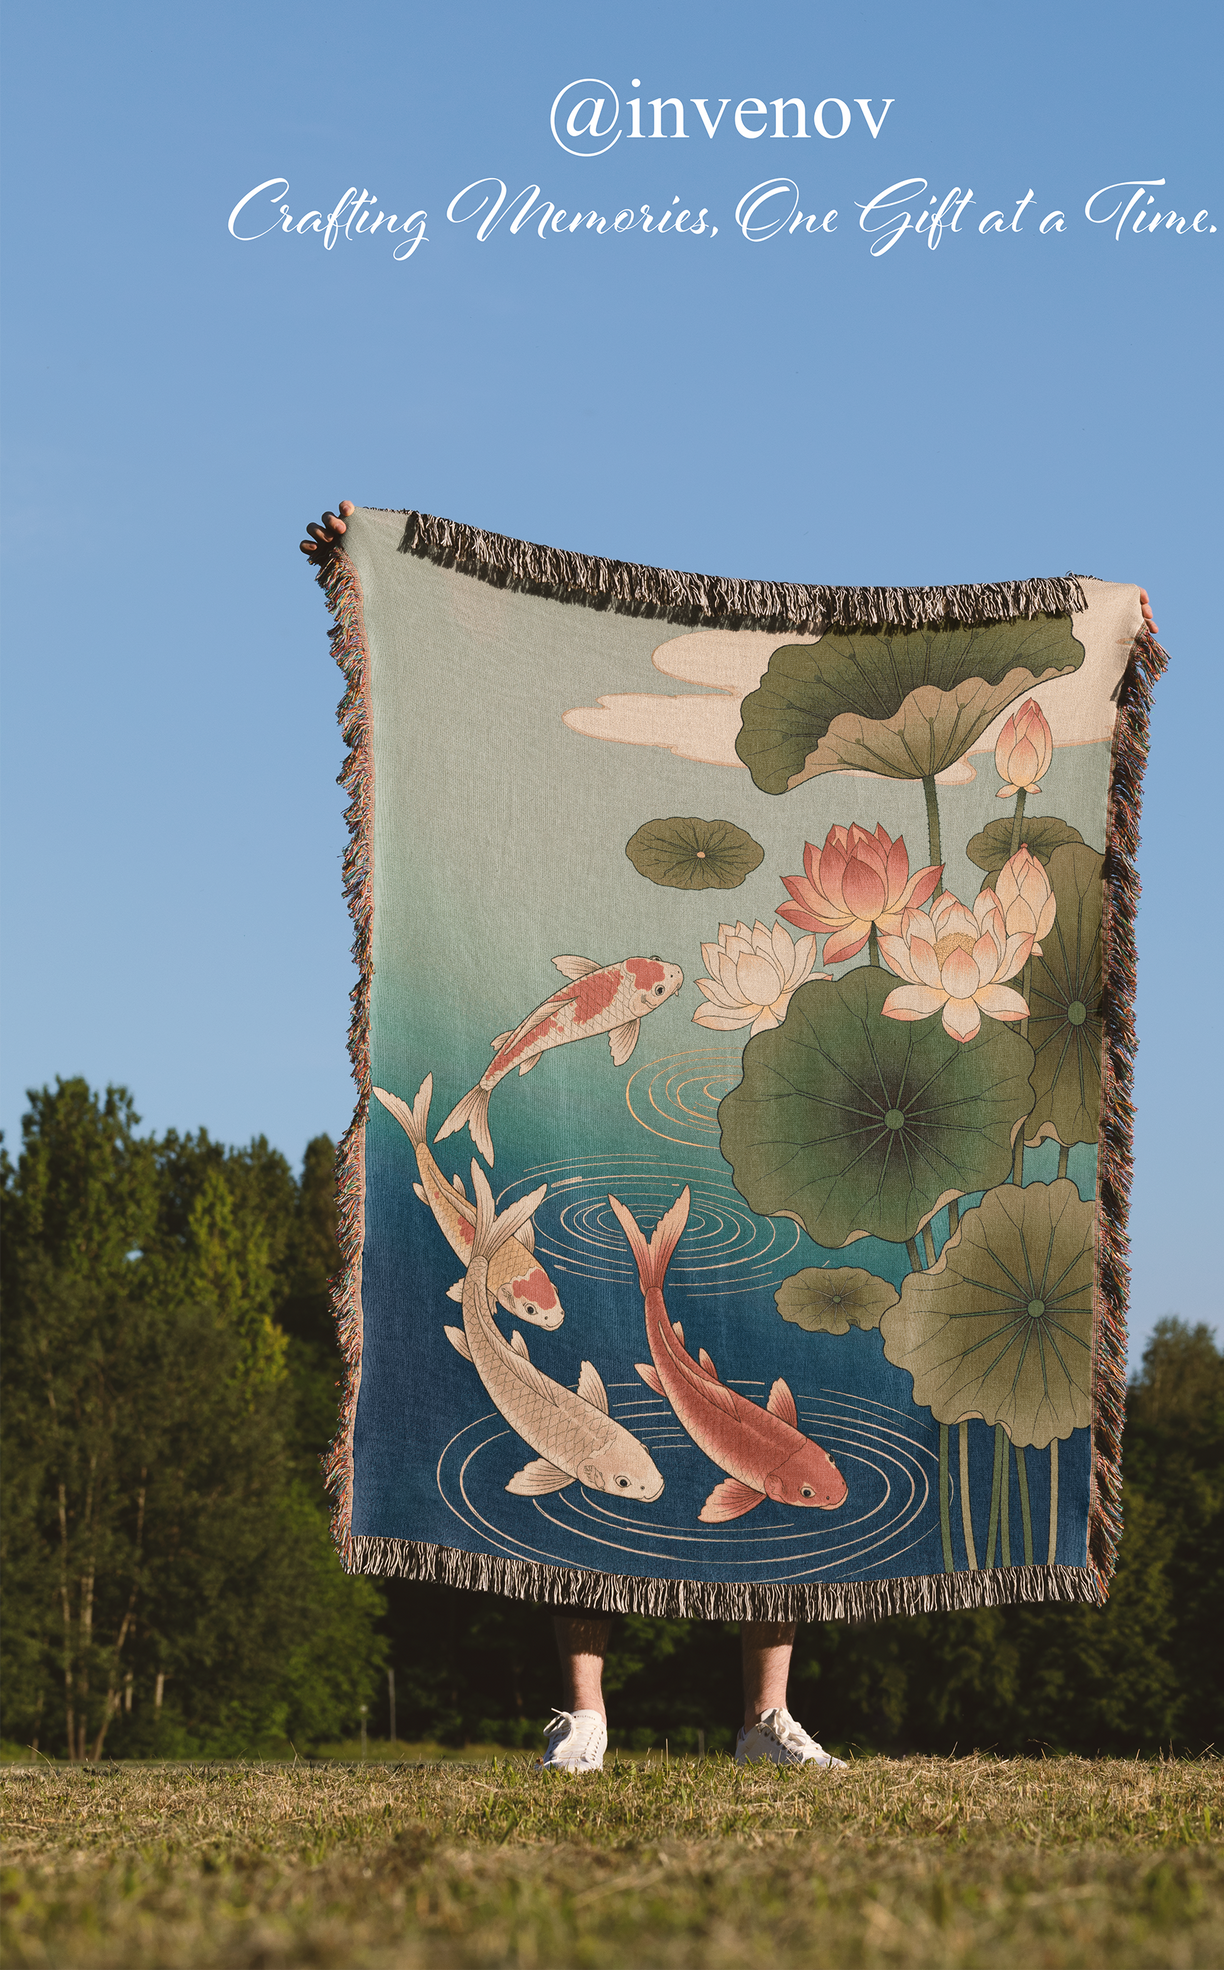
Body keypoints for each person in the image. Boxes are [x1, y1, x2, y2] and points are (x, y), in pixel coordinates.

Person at [300, 502, 1158, 1772]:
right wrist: (364, 550)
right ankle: (583, 1713)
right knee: (574, 1415)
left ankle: (765, 1715)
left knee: (776, 1400)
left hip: (755, 1176)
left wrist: (1108, 631)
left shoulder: (785, 951)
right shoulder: (625, 919)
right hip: (631, 1144)